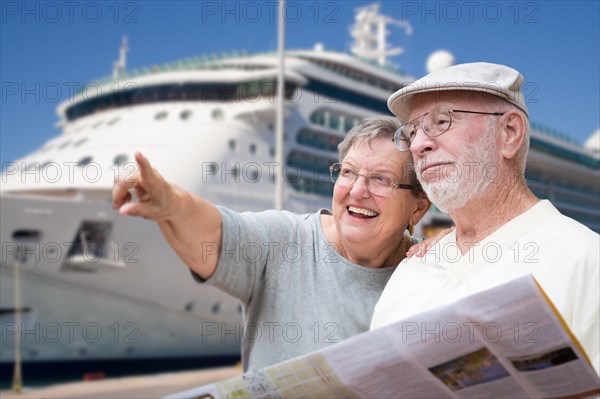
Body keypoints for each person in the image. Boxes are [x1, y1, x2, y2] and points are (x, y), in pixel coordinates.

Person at [113, 116, 432, 371]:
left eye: (380, 179)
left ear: (418, 206)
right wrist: (173, 204)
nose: (357, 190)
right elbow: (218, 234)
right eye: (347, 173)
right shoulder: (286, 241)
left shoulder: (432, 270)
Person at [370, 62, 600, 374]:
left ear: (509, 133)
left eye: (441, 121)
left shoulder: (585, 259)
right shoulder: (412, 268)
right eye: (411, 132)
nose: (418, 145)